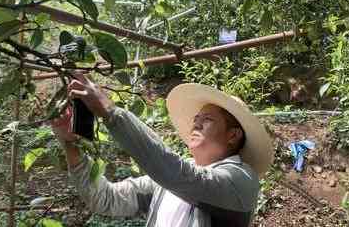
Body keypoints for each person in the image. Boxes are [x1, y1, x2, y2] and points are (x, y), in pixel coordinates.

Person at [50, 73, 273, 227]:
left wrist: (110, 111)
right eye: (196, 118)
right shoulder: (162, 185)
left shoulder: (242, 180)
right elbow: (105, 198)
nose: (196, 123)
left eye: (207, 119)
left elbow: (181, 175)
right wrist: (71, 144)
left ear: (233, 135)